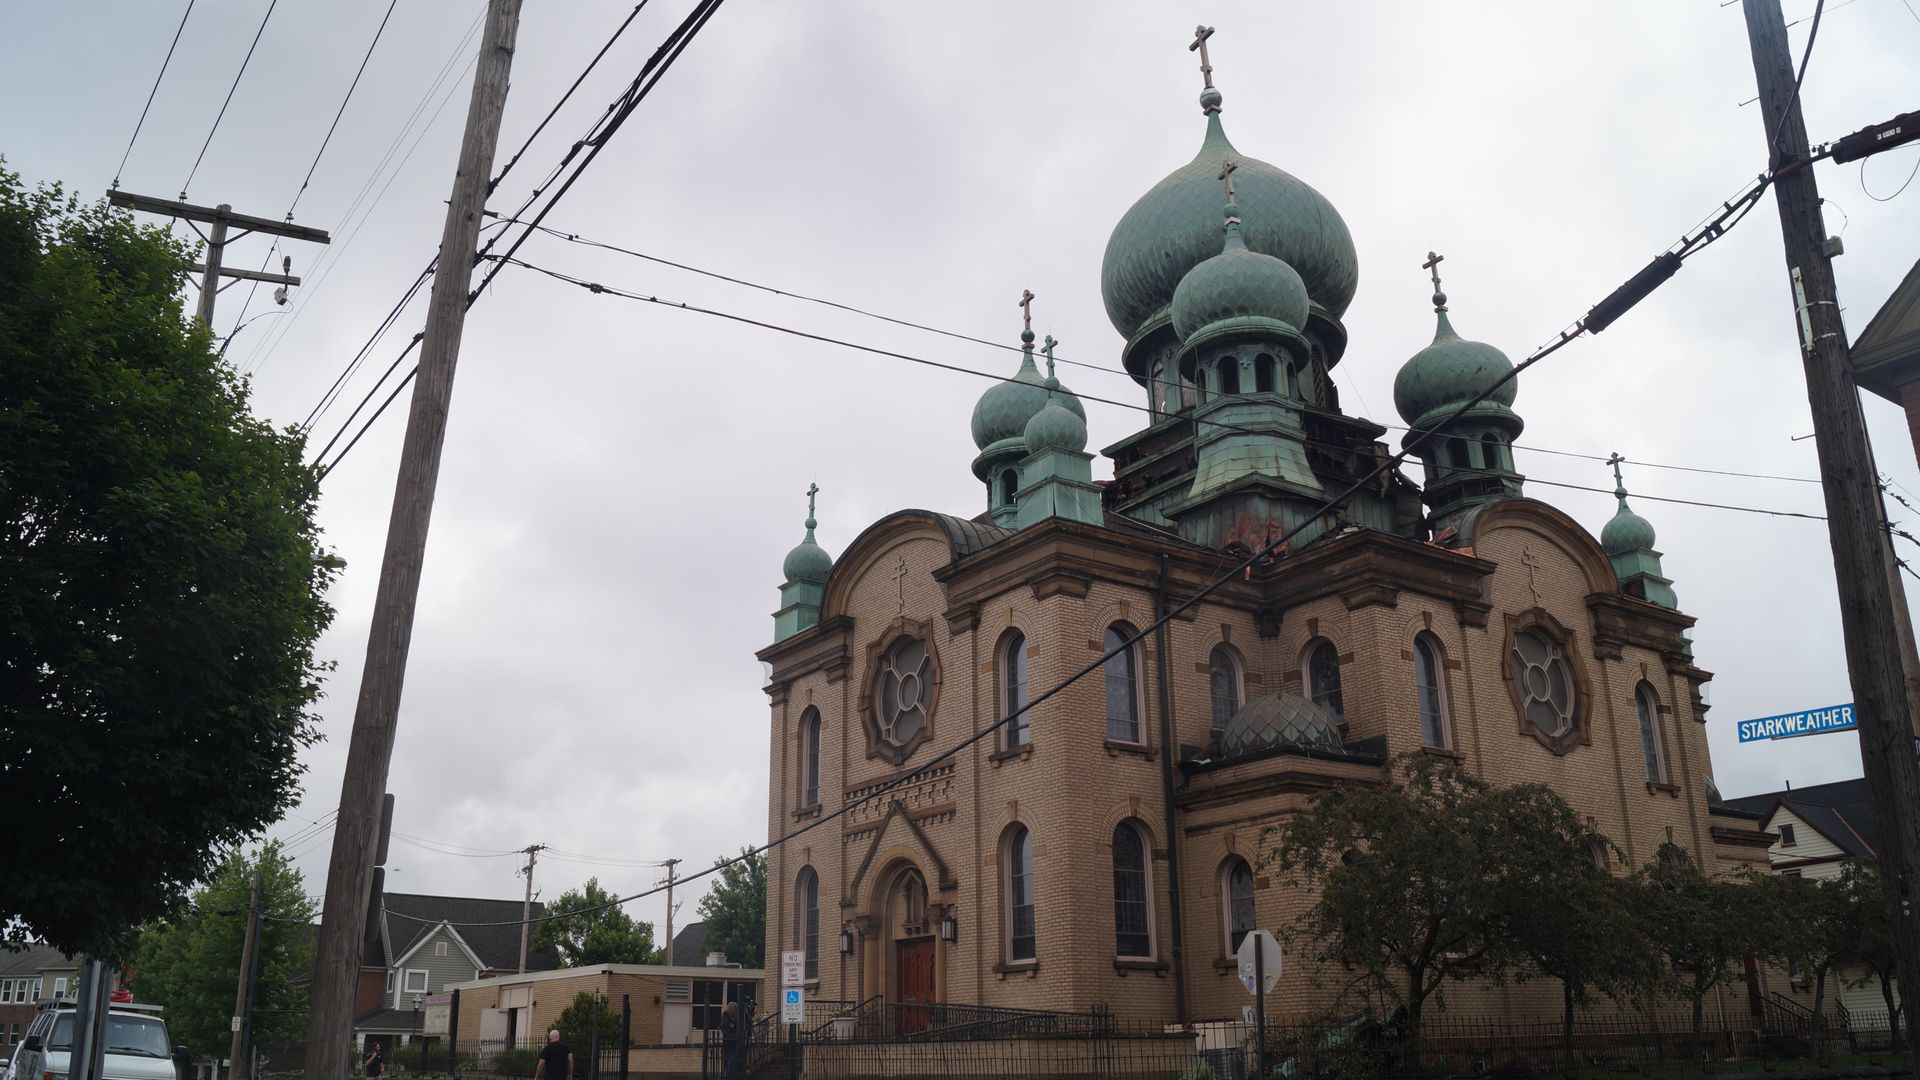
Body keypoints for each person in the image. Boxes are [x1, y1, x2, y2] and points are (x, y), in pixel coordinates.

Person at [719, 1002, 743, 1080]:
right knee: (730, 1063)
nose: (736, 1012)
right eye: (735, 1011)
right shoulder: (725, 1021)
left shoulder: (732, 1019)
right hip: (729, 1046)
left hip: (733, 1045)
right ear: (732, 1010)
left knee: (732, 1063)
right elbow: (727, 1034)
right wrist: (737, 1035)